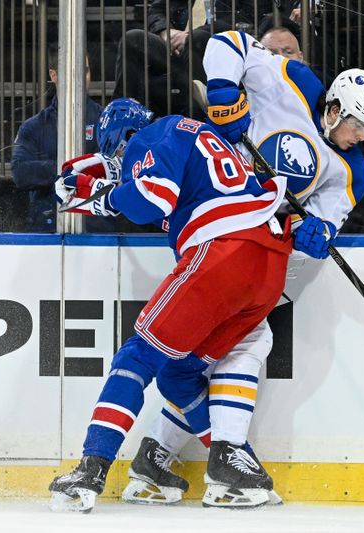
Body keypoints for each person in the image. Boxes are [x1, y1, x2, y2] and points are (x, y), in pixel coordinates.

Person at [120, 30, 364, 508]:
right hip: (206, 217)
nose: (361, 137)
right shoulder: (295, 80)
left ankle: (159, 457)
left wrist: (319, 234)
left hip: (249, 251)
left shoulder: (352, 171)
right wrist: (224, 86)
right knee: (246, 341)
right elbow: (229, 42)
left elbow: (327, 220)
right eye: (359, 126)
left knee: (210, 353)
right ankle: (223, 462)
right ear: (337, 109)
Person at [48, 97, 294, 513]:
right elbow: (171, 204)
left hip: (226, 251)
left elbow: (151, 200)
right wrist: (100, 193)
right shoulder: (197, 137)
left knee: (136, 356)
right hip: (267, 268)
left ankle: (91, 468)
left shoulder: (150, 136)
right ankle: (234, 466)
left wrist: (106, 198)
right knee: (179, 375)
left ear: (123, 139)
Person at [112, 0, 285, 117]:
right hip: (178, 55)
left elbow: (249, 19)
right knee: (133, 40)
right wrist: (166, 31)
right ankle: (124, 118)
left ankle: (199, 124)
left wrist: (192, 35)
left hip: (223, 57)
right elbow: (157, 10)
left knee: (199, 40)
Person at [10, 47, 110, 233]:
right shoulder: (34, 126)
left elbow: (117, 170)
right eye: (72, 72)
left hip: (98, 230)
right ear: (54, 75)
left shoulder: (106, 121)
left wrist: (62, 174)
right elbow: (20, 172)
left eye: (85, 71)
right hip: (46, 228)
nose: (80, 78)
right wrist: (69, 171)